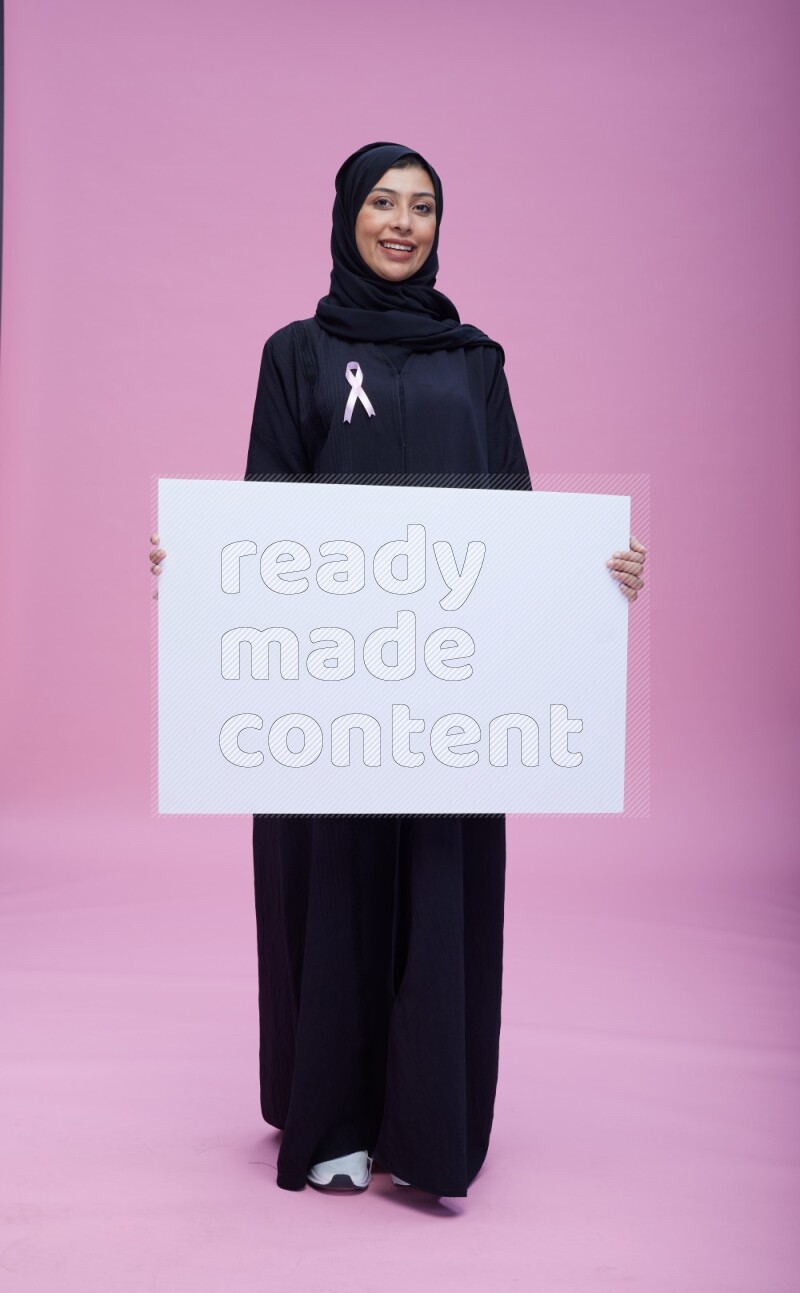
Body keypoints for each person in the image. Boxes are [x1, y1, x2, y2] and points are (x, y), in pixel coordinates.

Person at [149, 141, 647, 1198]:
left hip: (451, 691)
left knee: (437, 886)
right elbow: (266, 515)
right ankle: (330, 1120)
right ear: (346, 216)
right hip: (329, 683)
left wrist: (595, 576)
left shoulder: (477, 361)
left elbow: (516, 522)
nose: (402, 223)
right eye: (382, 202)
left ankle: (426, 1133)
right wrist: (201, 571)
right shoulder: (296, 353)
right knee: (330, 887)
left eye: (422, 207)